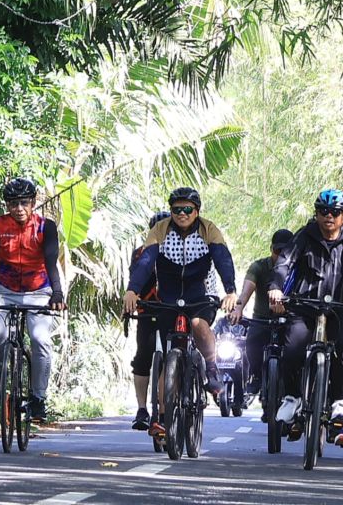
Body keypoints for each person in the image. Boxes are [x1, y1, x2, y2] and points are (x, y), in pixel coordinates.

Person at [268, 189, 343, 447]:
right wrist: (275, 287)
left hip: (338, 307)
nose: (329, 217)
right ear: (317, 214)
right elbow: (284, 263)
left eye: (335, 213)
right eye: (323, 212)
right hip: (304, 304)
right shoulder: (304, 236)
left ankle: (339, 402)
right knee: (293, 348)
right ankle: (293, 396)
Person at [123, 186, 238, 435]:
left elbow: (223, 259)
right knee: (168, 357)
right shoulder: (160, 230)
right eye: (177, 209)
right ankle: (162, 418)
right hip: (170, 297)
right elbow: (145, 262)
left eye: (187, 209)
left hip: (200, 295)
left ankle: (211, 366)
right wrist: (133, 289)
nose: (182, 214)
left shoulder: (209, 230)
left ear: (196, 211)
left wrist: (230, 290)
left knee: (198, 324)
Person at [0, 177, 67, 422]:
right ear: (6, 205)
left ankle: (38, 398)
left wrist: (58, 294)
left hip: (39, 292)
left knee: (40, 339)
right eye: (13, 204)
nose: (19, 208)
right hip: (5, 291)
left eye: (24, 202)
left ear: (33, 202)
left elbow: (51, 262)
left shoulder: (45, 227)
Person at [228, 228, 294, 398]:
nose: (280, 255)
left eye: (285, 251)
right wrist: (238, 308)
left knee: (295, 351)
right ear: (271, 248)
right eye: (277, 251)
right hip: (262, 320)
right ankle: (256, 375)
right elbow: (247, 289)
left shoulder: (298, 268)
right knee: (251, 343)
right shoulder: (259, 266)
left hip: (289, 320)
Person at [128, 210, 171, 431]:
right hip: (148, 310)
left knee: (176, 352)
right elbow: (135, 280)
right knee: (142, 356)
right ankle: (142, 409)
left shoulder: (182, 251)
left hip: (173, 310)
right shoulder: (140, 254)